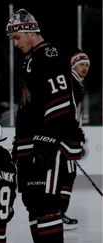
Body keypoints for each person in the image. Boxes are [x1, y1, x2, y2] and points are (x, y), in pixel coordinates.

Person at [6, 9, 85, 243]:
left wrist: (47, 140)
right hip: (31, 144)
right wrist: (21, 145)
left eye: (17, 37)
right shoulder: (31, 59)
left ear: (30, 30)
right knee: (33, 201)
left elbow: (61, 101)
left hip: (47, 145)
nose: (15, 43)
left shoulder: (48, 56)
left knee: (47, 201)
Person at [60, 50, 90, 229]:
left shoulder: (76, 83)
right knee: (66, 175)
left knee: (66, 174)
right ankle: (58, 214)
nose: (85, 68)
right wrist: (74, 134)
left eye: (87, 65)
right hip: (65, 135)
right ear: (73, 65)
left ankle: (57, 213)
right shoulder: (72, 83)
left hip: (67, 133)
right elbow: (68, 112)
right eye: (81, 64)